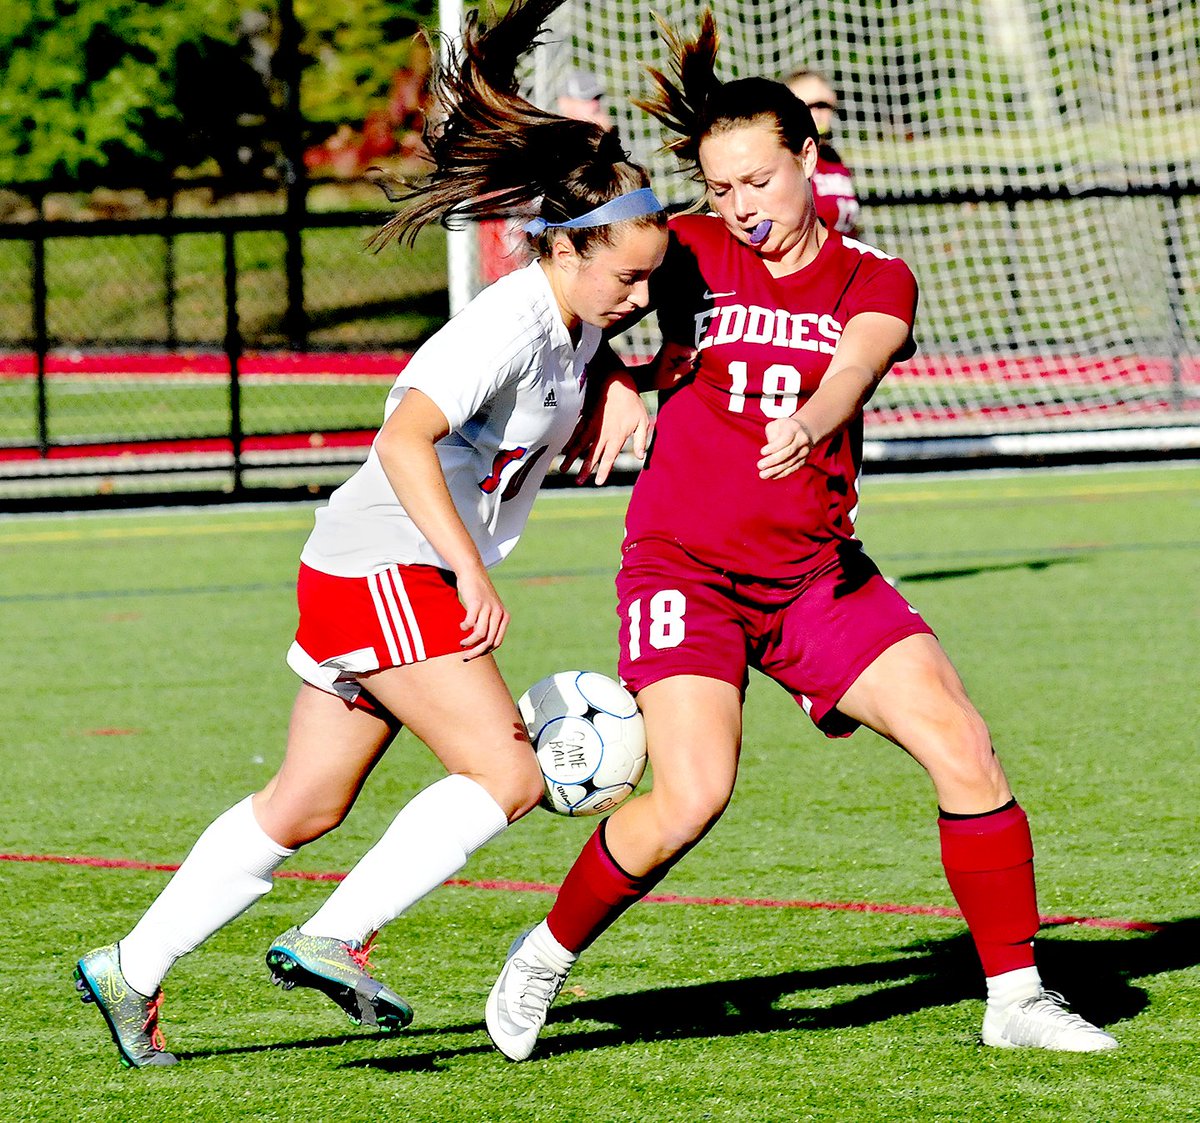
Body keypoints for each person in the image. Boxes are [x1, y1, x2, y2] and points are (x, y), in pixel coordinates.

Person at [485, 10, 1118, 1061]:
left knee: (963, 745)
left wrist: (814, 418)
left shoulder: (874, 276)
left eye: (761, 183)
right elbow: (568, 301)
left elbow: (859, 361)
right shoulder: (681, 250)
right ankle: (545, 952)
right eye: (722, 188)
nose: (742, 209)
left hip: (815, 576)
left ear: (809, 161)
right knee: (693, 796)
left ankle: (1015, 995)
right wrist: (615, 385)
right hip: (685, 569)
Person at [72, 0, 667, 1070]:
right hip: (387, 559)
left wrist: (622, 375)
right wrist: (460, 571)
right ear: (565, 248)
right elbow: (404, 437)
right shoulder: (506, 318)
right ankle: (335, 934)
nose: (638, 295)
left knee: (303, 804)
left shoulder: (577, 323)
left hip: (366, 567)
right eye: (624, 277)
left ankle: (131, 964)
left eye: (649, 281)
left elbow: (577, 367)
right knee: (508, 774)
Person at [478, 66, 613, 283]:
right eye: (587, 99)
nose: (594, 105)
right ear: (565, 103)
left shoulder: (600, 140)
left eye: (596, 99)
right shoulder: (549, 140)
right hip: (520, 230)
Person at [784, 66, 860, 237]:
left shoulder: (834, 160)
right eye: (809, 105)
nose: (818, 114)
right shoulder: (784, 160)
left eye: (824, 106)